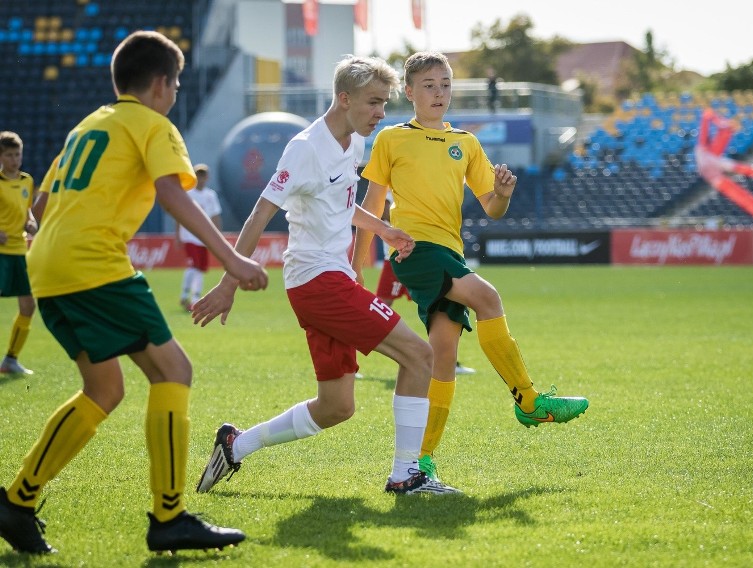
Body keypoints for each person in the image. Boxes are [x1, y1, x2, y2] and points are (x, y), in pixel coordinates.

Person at [0, 31, 269, 555]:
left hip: (48, 267)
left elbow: (38, 210)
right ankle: (169, 517)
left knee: (104, 390)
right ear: (161, 84)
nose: (175, 93)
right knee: (174, 371)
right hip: (93, 265)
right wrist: (231, 257)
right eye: (176, 83)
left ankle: (16, 501)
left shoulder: (88, 125)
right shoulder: (154, 124)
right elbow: (170, 190)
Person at [192, 55, 460, 497]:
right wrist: (229, 281)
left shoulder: (351, 141)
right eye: (374, 102)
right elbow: (262, 210)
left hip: (326, 282)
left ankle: (236, 445)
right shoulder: (305, 147)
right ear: (343, 98)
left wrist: (383, 228)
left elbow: (339, 200)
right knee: (420, 355)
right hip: (318, 282)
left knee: (336, 406)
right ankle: (406, 475)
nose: (380, 113)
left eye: (384, 104)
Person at [352, 51, 589, 485]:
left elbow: (492, 209)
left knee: (442, 358)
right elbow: (372, 204)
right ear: (409, 93)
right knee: (488, 297)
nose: (439, 92)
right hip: (414, 250)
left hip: (450, 252)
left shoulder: (467, 142)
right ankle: (529, 401)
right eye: (428, 85)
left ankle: (418, 463)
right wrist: (357, 266)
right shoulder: (391, 138)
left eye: (445, 84)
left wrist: (503, 192)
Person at [375, 191, 475, 376]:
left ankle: (447, 361)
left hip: (423, 255)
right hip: (398, 259)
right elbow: (383, 212)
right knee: (378, 308)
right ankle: (348, 359)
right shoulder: (394, 182)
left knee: (438, 308)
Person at [0, 132, 38, 375]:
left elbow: (28, 212)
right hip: (1, 253)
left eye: (18, 154)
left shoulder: (27, 181)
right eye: (10, 155)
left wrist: (31, 222)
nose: (15, 159)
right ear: (1, 157)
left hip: (19, 251)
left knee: (28, 306)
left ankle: (10, 360)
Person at [176, 163, 223, 311]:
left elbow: (215, 216)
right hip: (189, 235)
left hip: (204, 237)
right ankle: (188, 296)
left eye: (203, 175)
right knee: (194, 265)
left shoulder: (211, 195)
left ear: (207, 177)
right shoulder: (188, 193)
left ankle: (192, 297)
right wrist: (177, 234)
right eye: (198, 175)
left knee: (200, 268)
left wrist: (217, 236)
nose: (201, 178)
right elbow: (179, 214)